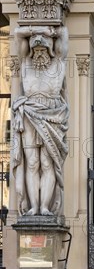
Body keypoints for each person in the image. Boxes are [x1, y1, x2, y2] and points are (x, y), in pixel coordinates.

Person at [12, 25, 69, 216]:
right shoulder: (25, 64)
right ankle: (34, 207)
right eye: (36, 49)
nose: (39, 52)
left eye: (43, 49)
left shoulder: (58, 63)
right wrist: (38, 29)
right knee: (32, 162)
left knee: (47, 162)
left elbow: (64, 33)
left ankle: (44, 207)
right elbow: (18, 33)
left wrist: (47, 33)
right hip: (29, 114)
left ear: (51, 49)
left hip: (52, 116)